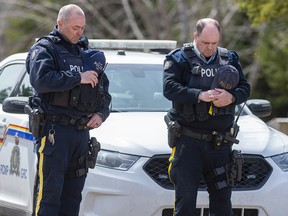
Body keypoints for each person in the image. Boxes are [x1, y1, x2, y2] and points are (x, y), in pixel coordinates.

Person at [25, 4, 111, 216]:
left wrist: (101, 114)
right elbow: (41, 80)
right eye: (75, 27)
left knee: (72, 199)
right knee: (49, 198)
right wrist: (77, 78)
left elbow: (105, 92)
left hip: (81, 135)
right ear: (60, 23)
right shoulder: (45, 49)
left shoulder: (86, 53)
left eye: (82, 28)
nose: (79, 32)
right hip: (55, 132)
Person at [163, 18, 250, 216]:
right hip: (188, 142)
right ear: (195, 36)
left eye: (214, 43)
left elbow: (245, 88)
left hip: (220, 144)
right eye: (205, 43)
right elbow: (169, 89)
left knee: (222, 204)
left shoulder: (230, 59)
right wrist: (199, 95)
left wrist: (231, 97)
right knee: (185, 205)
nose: (210, 47)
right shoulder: (178, 59)